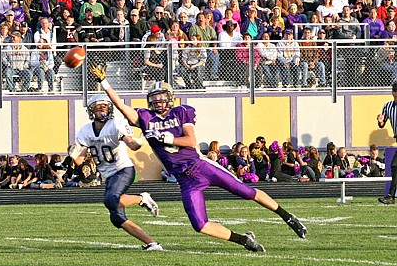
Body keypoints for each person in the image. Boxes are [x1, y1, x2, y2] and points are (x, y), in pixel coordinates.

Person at [88, 71, 307, 252]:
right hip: (185, 179)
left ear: (170, 97)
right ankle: (243, 239)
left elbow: (191, 141)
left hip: (201, 166)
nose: (158, 101)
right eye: (154, 98)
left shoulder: (182, 112)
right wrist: (105, 83)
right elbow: (122, 107)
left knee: (246, 192)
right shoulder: (146, 118)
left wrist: (169, 138)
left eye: (161, 97)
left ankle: (287, 217)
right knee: (199, 225)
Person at [69, 94, 163, 251]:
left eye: (104, 107)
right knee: (117, 218)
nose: (102, 110)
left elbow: (132, 145)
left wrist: (139, 141)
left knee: (111, 201)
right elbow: (81, 157)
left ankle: (142, 198)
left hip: (123, 169)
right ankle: (153, 244)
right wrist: (77, 160)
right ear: (91, 111)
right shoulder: (85, 131)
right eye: (98, 108)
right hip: (109, 175)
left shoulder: (116, 123)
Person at [376, 81, 397, 205]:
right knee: (394, 166)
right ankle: (390, 196)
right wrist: (379, 121)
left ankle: (390, 196)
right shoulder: (388, 106)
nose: (395, 94)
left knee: (395, 165)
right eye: (394, 92)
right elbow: (382, 124)